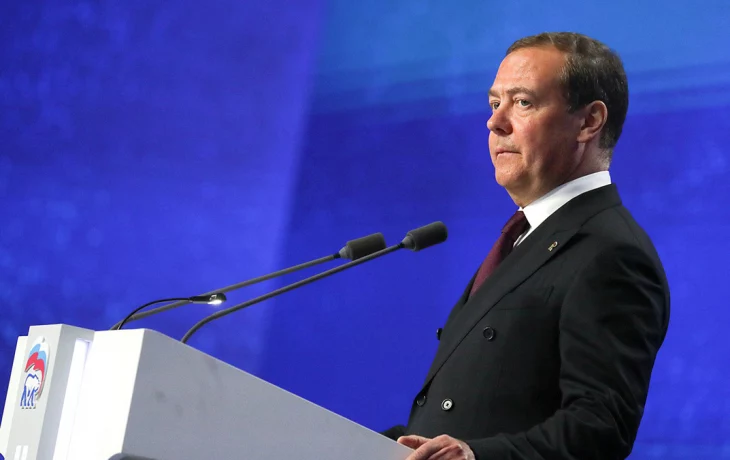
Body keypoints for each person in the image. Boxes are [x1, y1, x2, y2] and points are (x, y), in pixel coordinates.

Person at [382, 32, 670, 460]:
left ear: (589, 122)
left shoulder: (612, 253)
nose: (495, 122)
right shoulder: (525, 237)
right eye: (494, 103)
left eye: (522, 102)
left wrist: (476, 456)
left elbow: (600, 427)